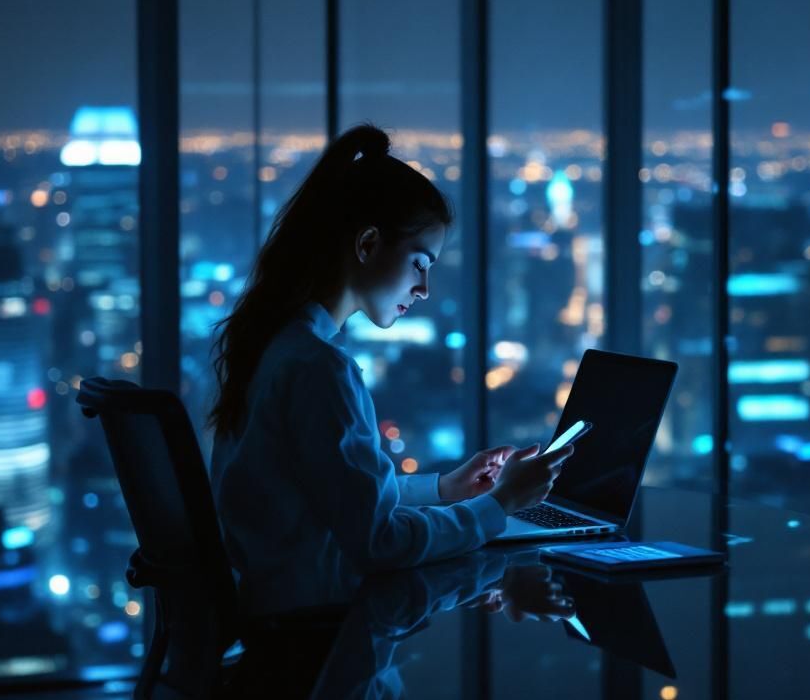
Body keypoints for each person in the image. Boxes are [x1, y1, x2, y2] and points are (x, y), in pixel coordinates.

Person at [207, 123, 574, 614]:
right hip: (318, 636)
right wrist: (499, 504)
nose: (423, 288)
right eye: (420, 262)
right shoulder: (319, 369)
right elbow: (379, 542)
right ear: (367, 245)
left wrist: (447, 490)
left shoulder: (278, 345)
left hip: (285, 613)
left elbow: (344, 499)